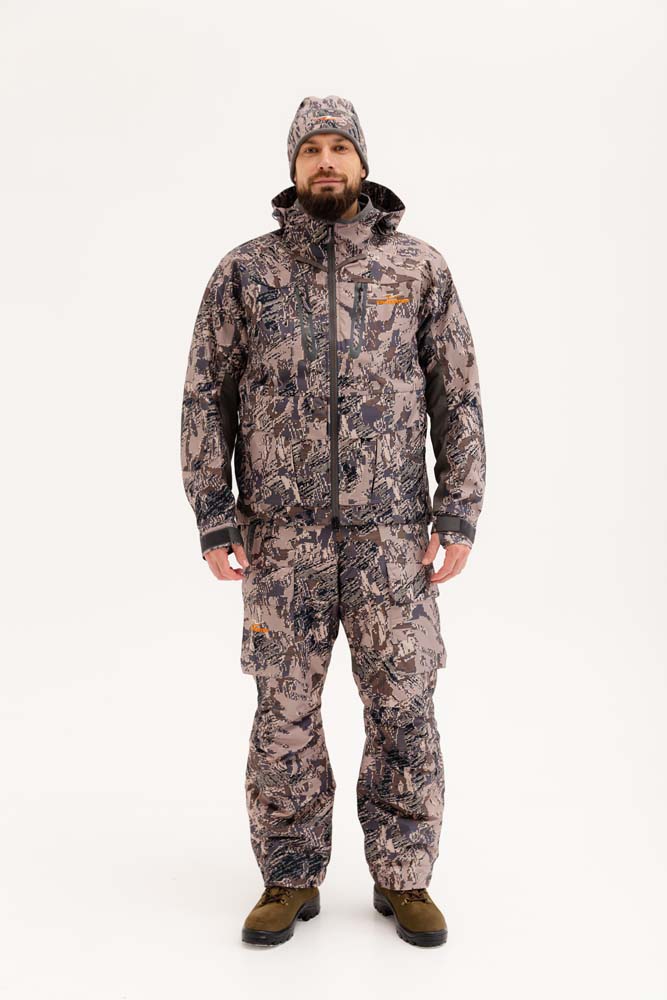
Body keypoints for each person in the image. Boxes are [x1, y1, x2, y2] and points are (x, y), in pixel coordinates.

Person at [180, 95, 486, 948]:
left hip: (392, 540)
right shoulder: (245, 273)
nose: (325, 162)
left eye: (338, 148)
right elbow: (206, 397)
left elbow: (456, 395)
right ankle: (288, 875)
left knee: (403, 706)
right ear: (292, 166)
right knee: (283, 712)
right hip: (282, 544)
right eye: (310, 149)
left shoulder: (416, 269)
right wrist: (215, 516)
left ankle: (404, 876)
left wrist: (458, 509)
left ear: (361, 162)